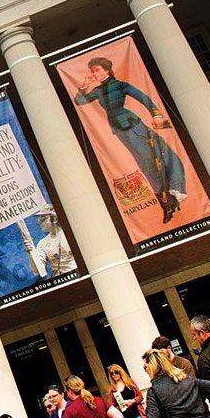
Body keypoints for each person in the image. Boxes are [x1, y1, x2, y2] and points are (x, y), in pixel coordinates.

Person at [74, 56, 187, 223]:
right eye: (93, 71)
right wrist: (84, 84)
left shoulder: (120, 85)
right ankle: (166, 204)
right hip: (121, 132)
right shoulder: (97, 91)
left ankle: (171, 198)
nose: (95, 74)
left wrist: (156, 115)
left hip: (134, 127)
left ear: (106, 70)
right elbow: (79, 101)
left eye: (97, 70)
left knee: (154, 162)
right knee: (146, 166)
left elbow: (143, 98)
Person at [31, 206, 77, 278]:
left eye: (42, 218)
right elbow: (37, 271)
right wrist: (30, 252)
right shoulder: (42, 243)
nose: (39, 222)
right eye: (39, 219)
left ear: (53, 218)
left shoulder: (70, 232)